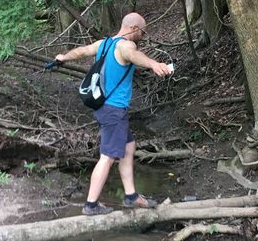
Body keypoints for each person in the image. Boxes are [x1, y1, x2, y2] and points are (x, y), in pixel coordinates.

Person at [53, 12, 173, 215]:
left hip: (106, 108)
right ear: (134, 29)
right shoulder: (126, 46)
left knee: (129, 146)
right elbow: (135, 55)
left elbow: (82, 51)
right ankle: (91, 205)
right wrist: (154, 64)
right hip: (113, 111)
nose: (143, 37)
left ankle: (130, 196)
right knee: (107, 157)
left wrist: (63, 57)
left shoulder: (105, 43)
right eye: (142, 32)